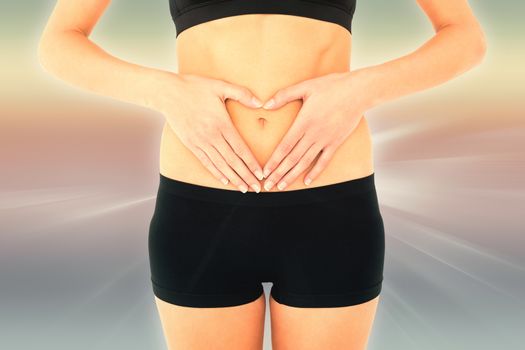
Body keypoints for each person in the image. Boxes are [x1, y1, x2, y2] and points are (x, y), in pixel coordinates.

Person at [37, 0, 486, 349]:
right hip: (200, 205)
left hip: (330, 204)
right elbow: (59, 42)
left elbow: (465, 37)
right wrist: (166, 91)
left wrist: (358, 90)